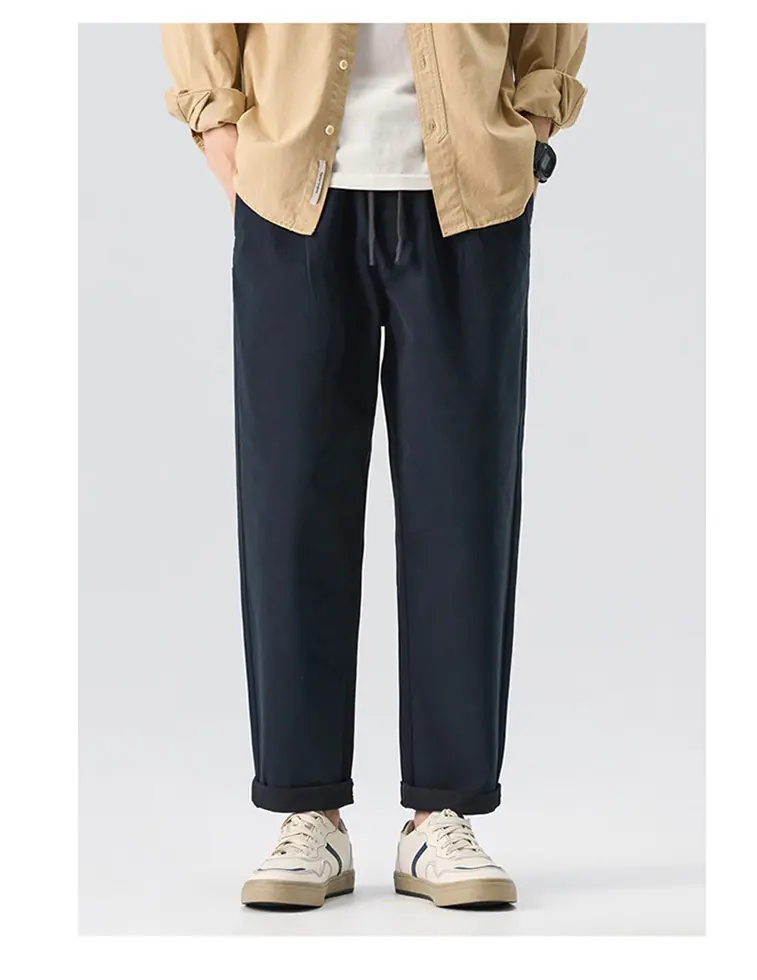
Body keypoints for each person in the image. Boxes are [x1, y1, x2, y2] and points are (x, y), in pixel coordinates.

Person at [162, 22, 587, 910]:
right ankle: (306, 811)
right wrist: (217, 127)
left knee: (463, 510)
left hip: (470, 195)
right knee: (290, 508)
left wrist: (534, 121)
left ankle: (442, 814)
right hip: (293, 193)